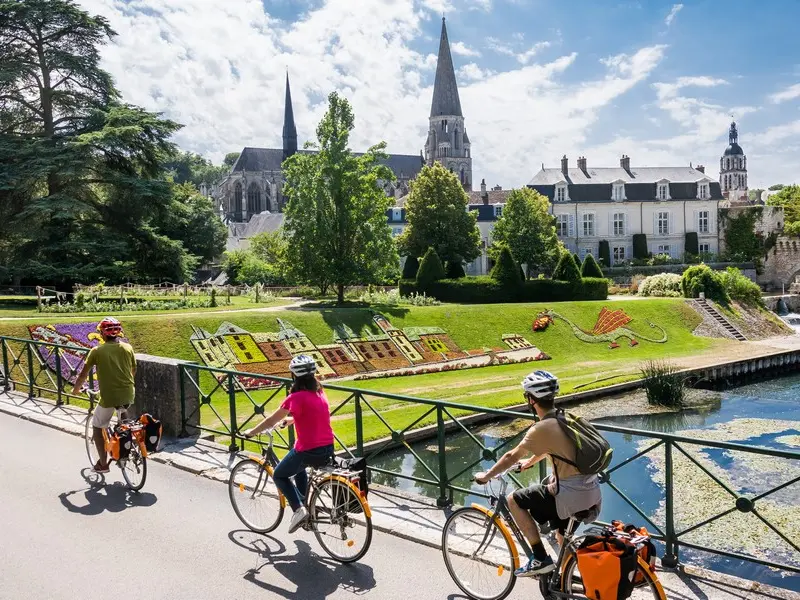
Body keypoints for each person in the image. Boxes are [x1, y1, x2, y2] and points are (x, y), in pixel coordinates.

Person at [474, 370, 602, 577]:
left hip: (568, 495)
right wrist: (531, 462)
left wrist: (486, 476)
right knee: (562, 536)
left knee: (513, 500)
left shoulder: (542, 427)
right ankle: (571, 582)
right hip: (591, 492)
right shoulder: (565, 418)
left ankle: (539, 558)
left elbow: (510, 456)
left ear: (531, 400)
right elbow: (555, 448)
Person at [244, 354, 335, 533]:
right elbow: (312, 414)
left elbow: (271, 420)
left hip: (308, 450)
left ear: (294, 376)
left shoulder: (296, 397)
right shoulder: (319, 391)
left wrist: (251, 432)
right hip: (327, 447)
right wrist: (292, 420)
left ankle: (298, 510)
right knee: (298, 468)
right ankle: (305, 506)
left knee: (279, 475)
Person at [72, 317, 137, 474]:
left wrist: (75, 390)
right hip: (128, 393)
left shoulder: (97, 351)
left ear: (102, 333)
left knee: (97, 426)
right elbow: (133, 370)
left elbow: (83, 375)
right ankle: (127, 443)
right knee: (124, 423)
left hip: (109, 396)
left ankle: (102, 464)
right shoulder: (128, 348)